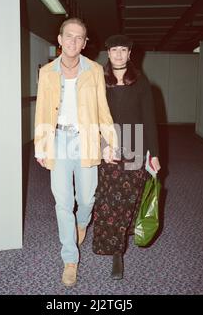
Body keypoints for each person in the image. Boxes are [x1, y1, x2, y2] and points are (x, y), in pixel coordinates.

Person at [34, 18, 118, 287]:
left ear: (85, 43)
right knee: (62, 202)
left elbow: (102, 109)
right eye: (68, 36)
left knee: (87, 197)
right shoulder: (47, 72)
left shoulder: (93, 70)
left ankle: (82, 223)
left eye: (79, 37)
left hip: (86, 138)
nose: (73, 41)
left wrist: (110, 142)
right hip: (58, 138)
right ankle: (70, 260)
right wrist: (41, 145)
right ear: (59, 40)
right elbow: (42, 111)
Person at [92, 34, 161, 280]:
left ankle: (118, 249)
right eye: (114, 50)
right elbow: (94, 117)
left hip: (135, 143)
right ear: (107, 53)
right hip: (109, 145)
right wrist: (101, 145)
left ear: (130, 53)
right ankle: (113, 248)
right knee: (108, 199)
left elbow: (150, 120)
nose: (119, 54)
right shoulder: (98, 80)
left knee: (128, 198)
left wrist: (154, 154)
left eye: (123, 50)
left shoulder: (141, 83)